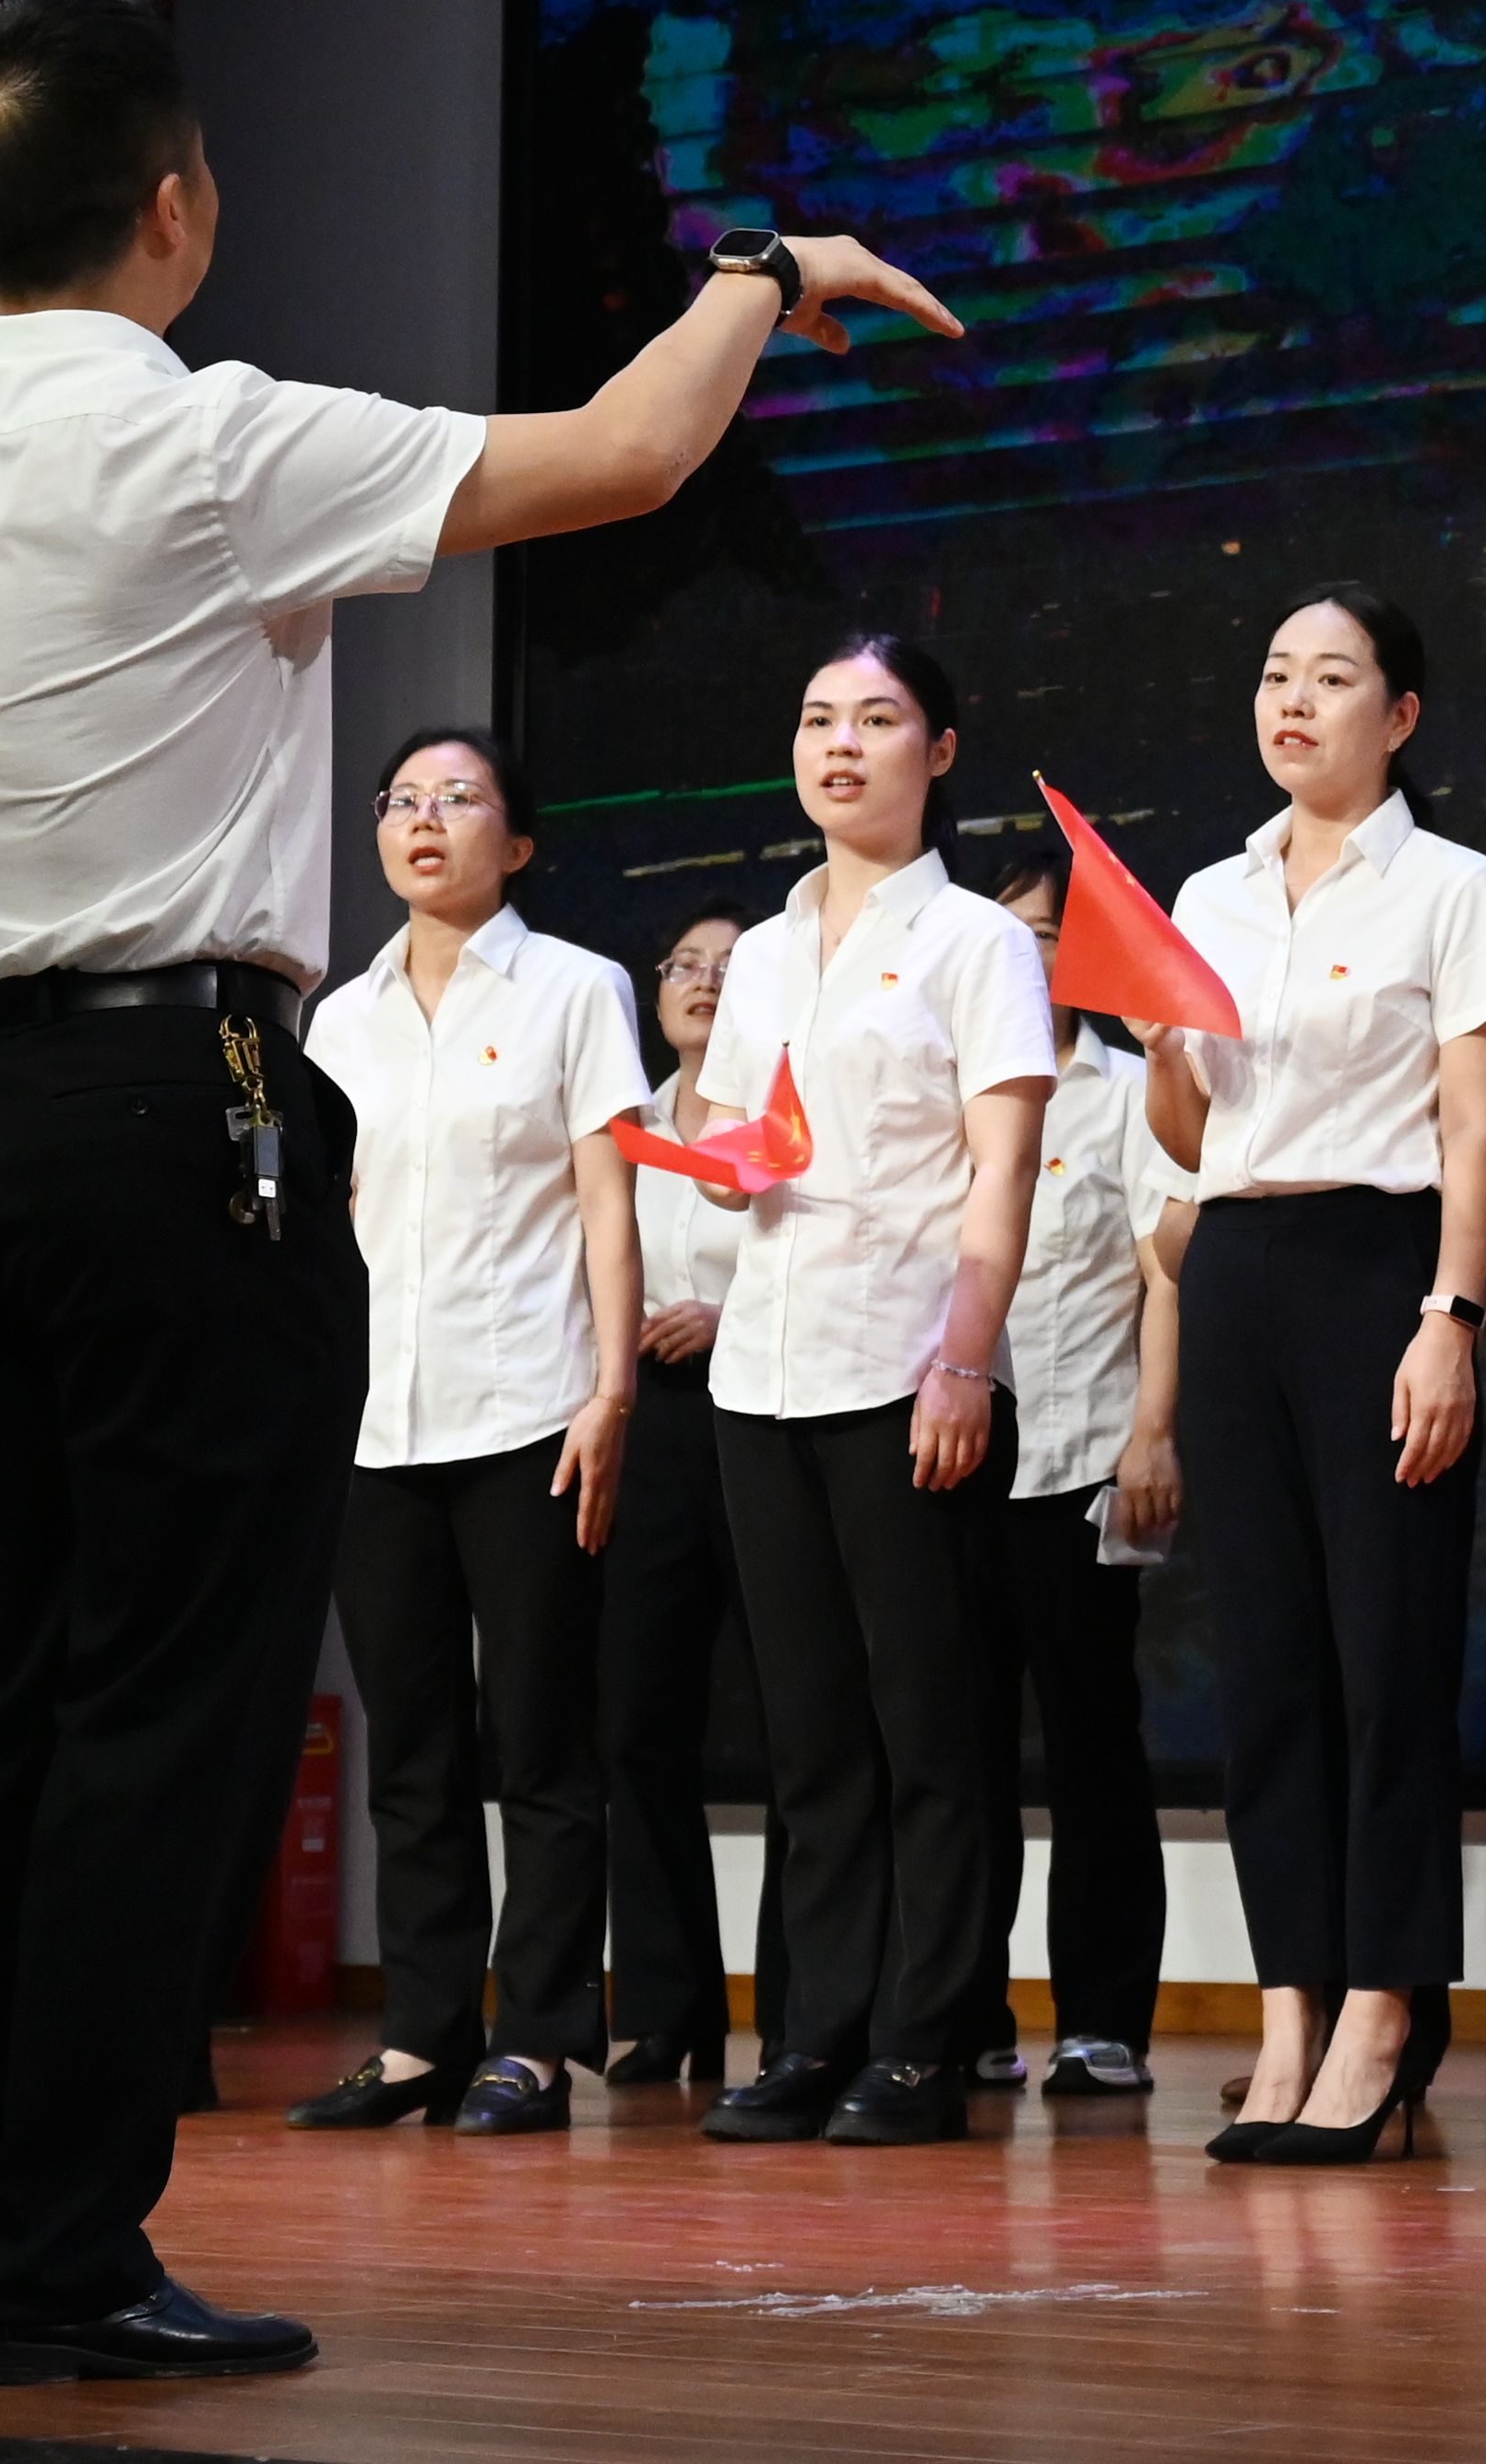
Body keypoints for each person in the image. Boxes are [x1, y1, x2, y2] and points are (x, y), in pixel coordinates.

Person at [0, 0, 950, 2379]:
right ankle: (58, 2257)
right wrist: (763, 271)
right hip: (172, 1111)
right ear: (176, 204)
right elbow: (632, 451)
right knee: (162, 1704)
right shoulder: (213, 441)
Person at [1147, 586, 1486, 2163]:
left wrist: (1452, 1314)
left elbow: (1471, 1128)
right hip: (1234, 1266)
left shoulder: (1453, 885)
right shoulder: (1211, 891)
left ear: (1402, 714)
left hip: (1382, 1270)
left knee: (1388, 1660)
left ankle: (1385, 2010)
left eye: (1330, 677)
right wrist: (1163, 1055)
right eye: (1273, 675)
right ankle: (1289, 2010)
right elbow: (1192, 1136)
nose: (1292, 701)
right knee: (1269, 1671)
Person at [695, 634, 1057, 2152]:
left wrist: (964, 1357)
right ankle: (815, 2034)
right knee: (814, 1737)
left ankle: (927, 2042)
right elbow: (728, 1153)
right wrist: (717, 1162)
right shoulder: (766, 950)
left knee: (932, 1730)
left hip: (911, 1370)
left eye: (877, 719)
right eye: (817, 719)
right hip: (763, 1375)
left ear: (941, 750)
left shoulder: (977, 941)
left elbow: (1005, 1169)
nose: (839, 745)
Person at [290, 730, 647, 2140]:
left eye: (459, 799)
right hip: (379, 1422)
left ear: (520, 842)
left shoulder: (574, 987)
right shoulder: (339, 1020)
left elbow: (608, 1203)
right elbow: (329, 1226)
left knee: (541, 1744)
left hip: (531, 1410)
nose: (424, 820)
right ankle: (421, 2037)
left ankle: (540, 2041)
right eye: (402, 802)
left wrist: (613, 1391)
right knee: (413, 1750)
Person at [985, 852, 1183, 2101]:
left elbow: (1166, 1272)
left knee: (1092, 1745)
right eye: (1005, 932)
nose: (1027, 953)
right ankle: (961, 2014)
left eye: (1049, 933)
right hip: (950, 1462)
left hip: (1080, 1458)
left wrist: (1154, 1431)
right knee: (958, 1752)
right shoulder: (951, 1087)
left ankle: (1103, 2022)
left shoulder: (1118, 1093)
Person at [593, 903, 763, 2091]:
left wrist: (730, 1314)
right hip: (646, 1426)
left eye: (731, 965)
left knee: (805, 1722)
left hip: (765, 1409)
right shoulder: (622, 1125)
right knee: (636, 1721)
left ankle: (805, 2012)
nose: (704, 980)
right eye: (684, 964)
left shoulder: (790, 1120)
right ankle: (666, 2007)